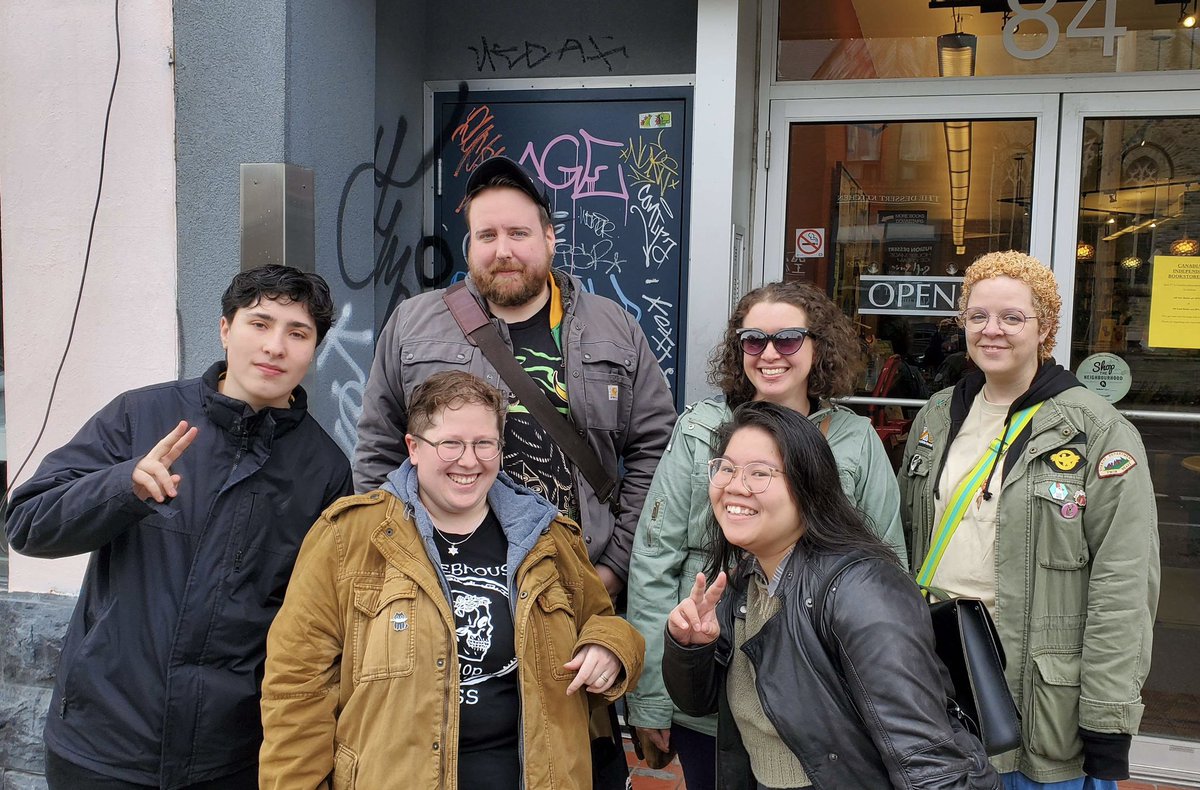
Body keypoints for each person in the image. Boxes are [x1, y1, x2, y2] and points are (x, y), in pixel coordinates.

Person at [5, 265, 352, 789]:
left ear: (315, 348)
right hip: (102, 745)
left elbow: (317, 622)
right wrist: (123, 486)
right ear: (225, 329)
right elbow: (28, 523)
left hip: (229, 754)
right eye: (259, 323)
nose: (275, 346)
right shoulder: (142, 416)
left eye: (297, 333)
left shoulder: (323, 468)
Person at [260, 371, 645, 789]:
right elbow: (297, 689)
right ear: (413, 448)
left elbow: (603, 623)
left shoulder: (547, 537)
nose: (469, 460)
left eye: (484, 444)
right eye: (450, 444)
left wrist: (609, 649)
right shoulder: (347, 538)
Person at [353, 155, 675, 601]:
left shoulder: (614, 328)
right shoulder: (413, 324)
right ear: (470, 245)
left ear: (549, 239)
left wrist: (616, 567)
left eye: (518, 233)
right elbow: (378, 450)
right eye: (486, 235)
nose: (502, 250)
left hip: (575, 582)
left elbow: (656, 452)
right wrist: (397, 562)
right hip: (441, 586)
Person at [625, 281, 907, 790]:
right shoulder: (700, 429)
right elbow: (654, 558)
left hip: (821, 696)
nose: (770, 354)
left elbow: (889, 575)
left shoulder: (853, 439)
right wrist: (650, 695)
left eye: (789, 339)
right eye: (753, 340)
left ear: (818, 345)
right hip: (711, 681)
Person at [897, 251, 1160, 789]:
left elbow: (1124, 583)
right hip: (940, 668)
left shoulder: (1094, 431)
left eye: (1012, 317)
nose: (992, 330)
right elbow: (903, 537)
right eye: (977, 316)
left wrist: (1107, 717)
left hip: (1039, 697)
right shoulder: (936, 415)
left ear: (1045, 328)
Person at [661, 401, 999, 789]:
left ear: (809, 486)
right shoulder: (744, 582)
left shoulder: (861, 591)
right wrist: (691, 647)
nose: (735, 486)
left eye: (759, 473)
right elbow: (698, 704)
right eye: (726, 468)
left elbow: (929, 764)